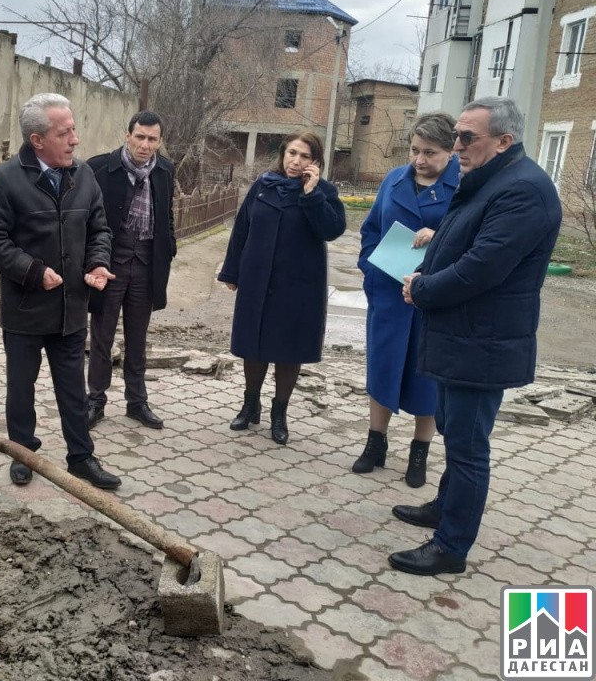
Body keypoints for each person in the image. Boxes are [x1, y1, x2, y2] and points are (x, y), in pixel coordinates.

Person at [389, 96, 562, 576]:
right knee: (454, 430)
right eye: (457, 135)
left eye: (467, 137)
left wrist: (423, 289)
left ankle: (451, 547)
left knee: (468, 446)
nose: (456, 144)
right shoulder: (491, 180)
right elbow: (456, 239)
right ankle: (445, 508)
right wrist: (424, 267)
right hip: (462, 336)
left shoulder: (523, 190)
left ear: (504, 141)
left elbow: (482, 268)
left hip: (482, 342)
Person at [0, 93, 121, 490]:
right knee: (21, 388)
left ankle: (81, 458)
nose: (75, 139)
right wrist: (34, 271)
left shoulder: (84, 175)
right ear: (37, 140)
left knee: (73, 388)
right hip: (25, 309)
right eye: (64, 132)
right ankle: (22, 453)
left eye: (74, 129)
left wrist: (97, 263)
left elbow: (100, 229)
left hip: (72, 308)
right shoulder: (5, 179)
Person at [217, 132, 346, 444]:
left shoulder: (324, 192)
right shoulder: (263, 185)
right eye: (292, 153)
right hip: (258, 279)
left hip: (298, 286)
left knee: (289, 350)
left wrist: (312, 193)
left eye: (304, 156)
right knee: (254, 344)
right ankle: (250, 406)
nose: (296, 161)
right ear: (283, 154)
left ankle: (279, 414)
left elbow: (332, 229)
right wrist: (232, 270)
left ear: (315, 162)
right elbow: (242, 228)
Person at [353, 112, 460, 487]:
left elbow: (475, 242)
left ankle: (419, 452)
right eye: (415, 150)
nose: (419, 160)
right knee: (382, 367)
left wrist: (441, 234)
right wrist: (369, 268)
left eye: (430, 152)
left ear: (451, 151)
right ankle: (375, 443)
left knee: (425, 376)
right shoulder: (394, 180)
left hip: (433, 297)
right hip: (388, 292)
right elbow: (371, 229)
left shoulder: (464, 186)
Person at [85, 110, 176, 430]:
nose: (145, 145)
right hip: (109, 266)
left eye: (152, 139)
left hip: (147, 266)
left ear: (159, 142)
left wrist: (169, 249)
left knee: (138, 339)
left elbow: (166, 218)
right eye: (140, 136)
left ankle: (137, 402)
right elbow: (84, 220)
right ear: (127, 136)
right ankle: (95, 400)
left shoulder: (165, 170)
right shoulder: (99, 168)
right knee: (101, 337)